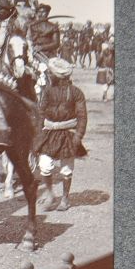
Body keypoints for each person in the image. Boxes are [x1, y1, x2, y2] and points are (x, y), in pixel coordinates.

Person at [35, 56, 87, 211]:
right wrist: (38, 136)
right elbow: (41, 113)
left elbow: (82, 116)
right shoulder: (47, 92)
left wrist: (78, 137)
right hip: (49, 134)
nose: (49, 76)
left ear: (58, 77)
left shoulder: (76, 93)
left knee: (66, 168)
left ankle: (65, 198)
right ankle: (50, 193)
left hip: (68, 134)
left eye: (51, 74)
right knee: (44, 165)